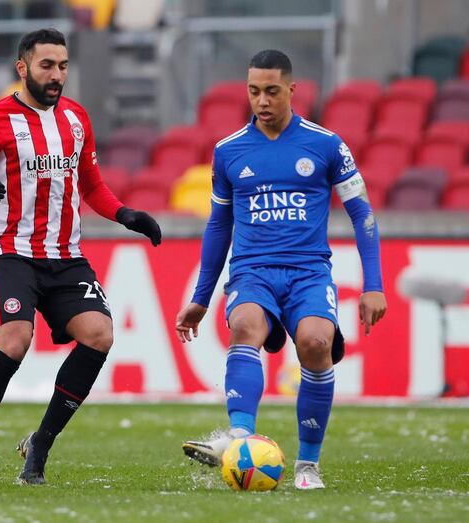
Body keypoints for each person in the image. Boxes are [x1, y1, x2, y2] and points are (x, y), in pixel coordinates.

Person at [0, 28, 162, 485]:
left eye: (63, 66)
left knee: (99, 334)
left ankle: (39, 443)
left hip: (66, 256)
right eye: (47, 66)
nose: (57, 75)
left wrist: (127, 215)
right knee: (13, 340)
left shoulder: (76, 118)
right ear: (22, 68)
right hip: (12, 251)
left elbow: (92, 187)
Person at [175, 50, 387, 490]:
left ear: (292, 90)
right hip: (253, 270)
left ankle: (308, 465)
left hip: (309, 272)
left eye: (272, 91)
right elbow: (219, 225)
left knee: (314, 343)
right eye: (254, 91)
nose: (262, 100)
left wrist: (374, 285)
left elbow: (363, 214)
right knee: (245, 326)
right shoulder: (229, 151)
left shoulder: (326, 145)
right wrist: (200, 297)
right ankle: (237, 439)